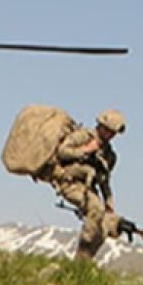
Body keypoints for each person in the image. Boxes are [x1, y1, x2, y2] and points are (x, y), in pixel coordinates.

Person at [51, 109, 126, 260]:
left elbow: (105, 182)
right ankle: (82, 257)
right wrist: (85, 150)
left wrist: (109, 203)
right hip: (69, 183)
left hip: (88, 189)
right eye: (109, 130)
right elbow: (62, 152)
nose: (111, 135)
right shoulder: (83, 136)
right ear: (101, 126)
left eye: (113, 133)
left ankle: (83, 262)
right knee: (95, 209)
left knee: (105, 224)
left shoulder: (109, 155)